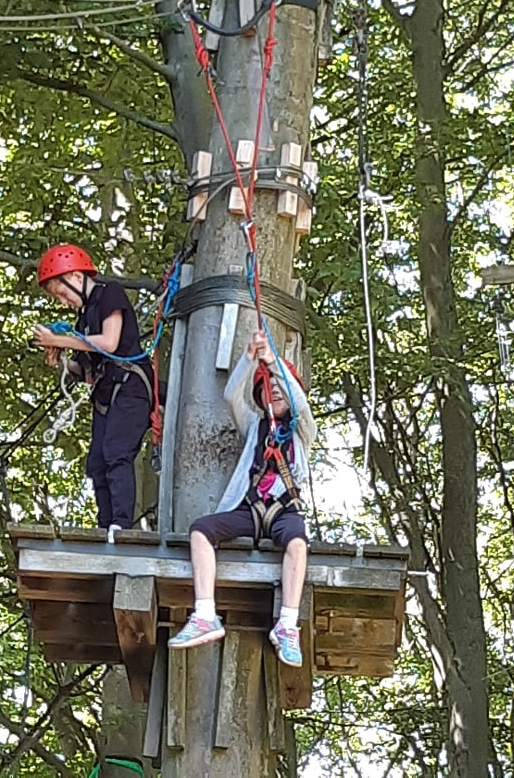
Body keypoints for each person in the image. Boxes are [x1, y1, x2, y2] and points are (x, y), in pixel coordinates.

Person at [168, 329, 317, 667]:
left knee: (297, 543)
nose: (276, 392)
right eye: (269, 388)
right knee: (201, 529)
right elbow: (232, 393)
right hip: (249, 509)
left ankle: (288, 624)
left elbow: (300, 404)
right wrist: (251, 357)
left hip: (284, 510)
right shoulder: (253, 426)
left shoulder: (302, 431)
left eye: (281, 388)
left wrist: (273, 363)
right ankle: (205, 613)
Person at [32, 243, 155, 543]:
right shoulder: (84, 319)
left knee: (116, 452)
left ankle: (120, 525)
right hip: (107, 392)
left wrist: (62, 340)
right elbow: (85, 366)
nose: (63, 302)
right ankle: (106, 526)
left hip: (130, 388)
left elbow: (110, 343)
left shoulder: (109, 293)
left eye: (62, 294)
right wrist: (59, 359)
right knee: (98, 462)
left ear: (75, 277)